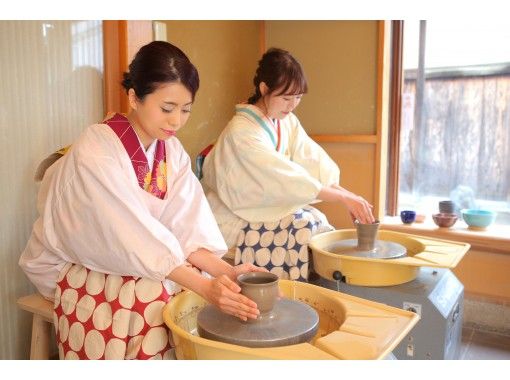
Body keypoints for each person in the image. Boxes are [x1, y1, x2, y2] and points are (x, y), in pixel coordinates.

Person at [19, 41, 264, 360]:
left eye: (186, 109)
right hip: (69, 260)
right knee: (156, 295)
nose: (176, 121)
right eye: (167, 108)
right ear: (134, 97)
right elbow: (124, 233)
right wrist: (205, 288)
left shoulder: (171, 152)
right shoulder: (97, 148)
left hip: (138, 254)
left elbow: (186, 226)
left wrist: (223, 272)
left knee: (187, 281)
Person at [200, 47, 375, 282]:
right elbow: (282, 177)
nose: (292, 105)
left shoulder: (286, 121)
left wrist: (350, 197)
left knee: (317, 223)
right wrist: (344, 199)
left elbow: (312, 161)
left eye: (298, 98)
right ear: (264, 89)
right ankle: (291, 296)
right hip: (232, 212)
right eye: (286, 97)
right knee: (301, 230)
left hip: (263, 203)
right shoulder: (242, 131)